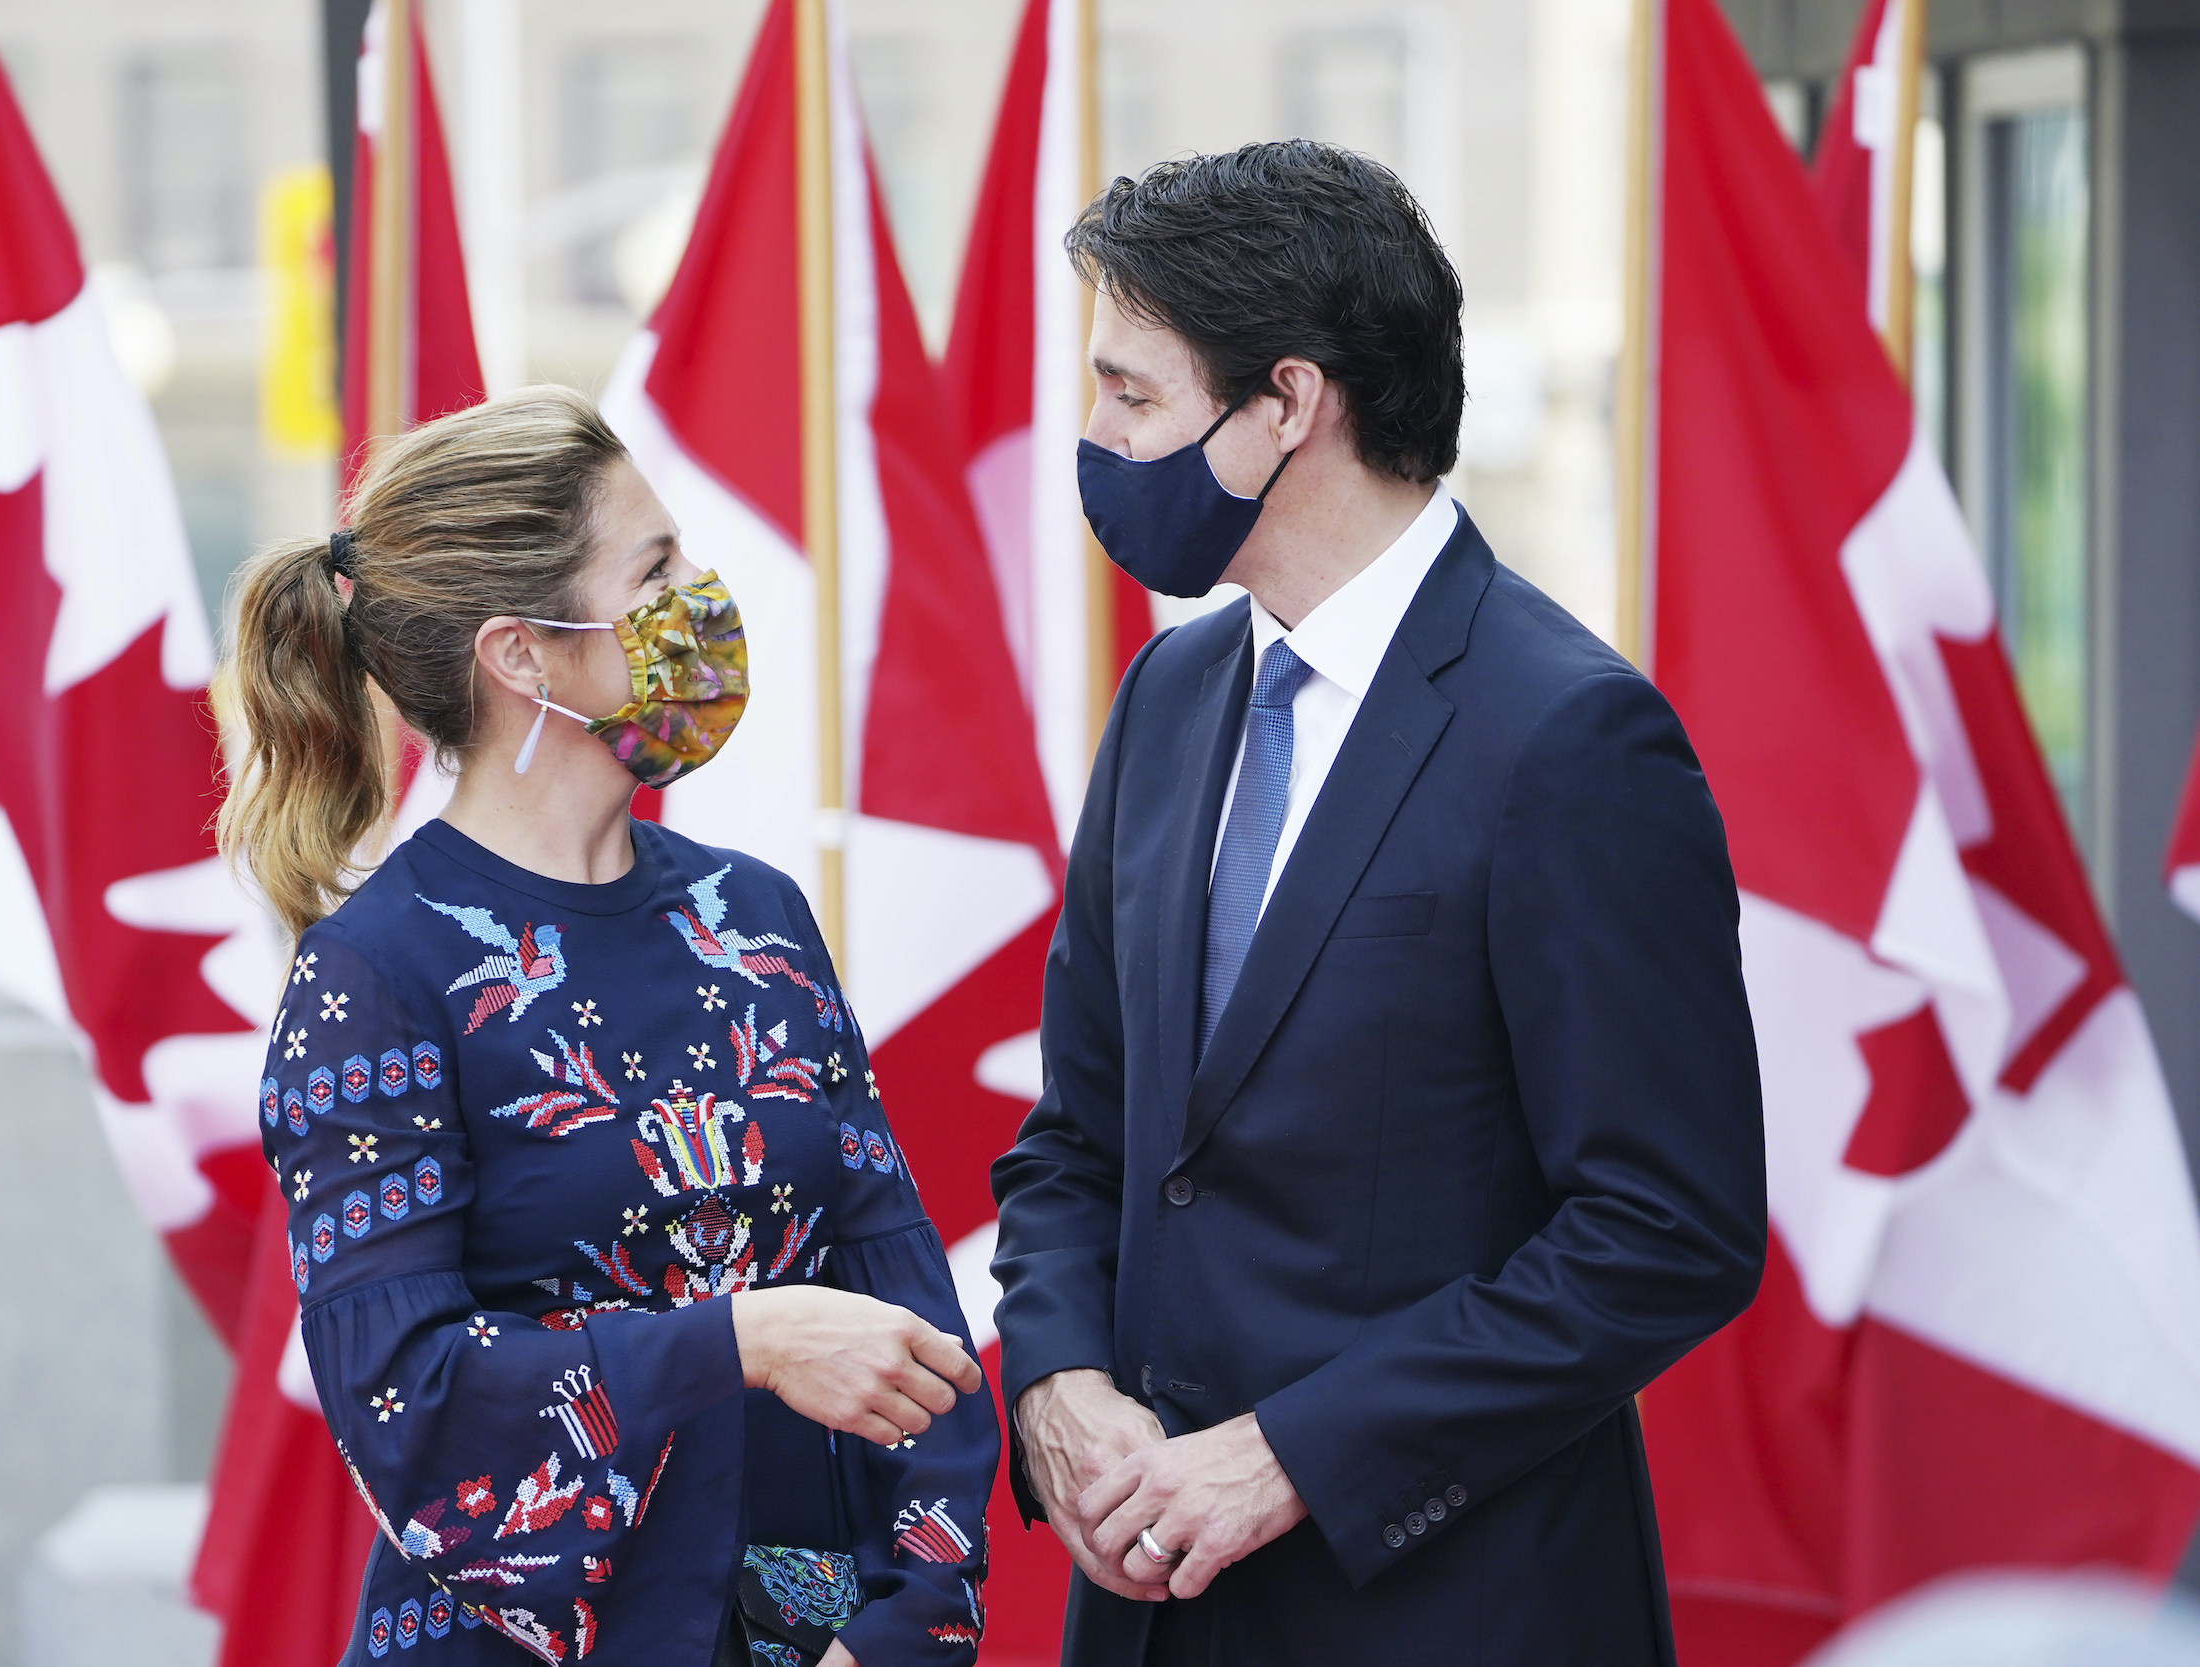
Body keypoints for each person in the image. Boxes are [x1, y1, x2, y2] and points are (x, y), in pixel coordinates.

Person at [988, 141, 1767, 1663]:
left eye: (1131, 393)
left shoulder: (1570, 737)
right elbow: (1083, 1129)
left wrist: (1292, 1452)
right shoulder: (1171, 691)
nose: (1096, 438)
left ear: (1288, 402)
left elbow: (1668, 1227)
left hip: (1447, 1603)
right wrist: (1056, 1376)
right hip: (1148, 1608)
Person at [215, 387, 996, 1667]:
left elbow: (913, 1318)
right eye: (656, 567)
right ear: (522, 653)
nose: (703, 591)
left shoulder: (754, 916)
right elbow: (407, 1399)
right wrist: (739, 1341)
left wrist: (905, 1627)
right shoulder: (376, 974)